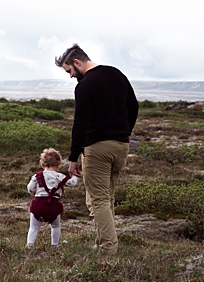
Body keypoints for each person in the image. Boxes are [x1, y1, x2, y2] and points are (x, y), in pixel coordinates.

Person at [55, 44, 139, 254]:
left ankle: (108, 249)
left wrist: (73, 157)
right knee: (107, 197)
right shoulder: (117, 74)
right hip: (121, 147)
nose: (71, 76)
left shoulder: (84, 86)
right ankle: (104, 242)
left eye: (70, 71)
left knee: (97, 200)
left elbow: (80, 123)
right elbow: (134, 105)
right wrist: (127, 130)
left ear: (77, 62)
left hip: (97, 149)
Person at [26, 148, 79, 248]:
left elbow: (29, 188)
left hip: (38, 204)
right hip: (53, 205)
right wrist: (75, 174)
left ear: (42, 165)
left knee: (34, 227)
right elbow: (72, 183)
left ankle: (30, 244)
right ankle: (54, 244)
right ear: (58, 165)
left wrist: (34, 192)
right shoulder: (60, 176)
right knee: (56, 226)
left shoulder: (37, 176)